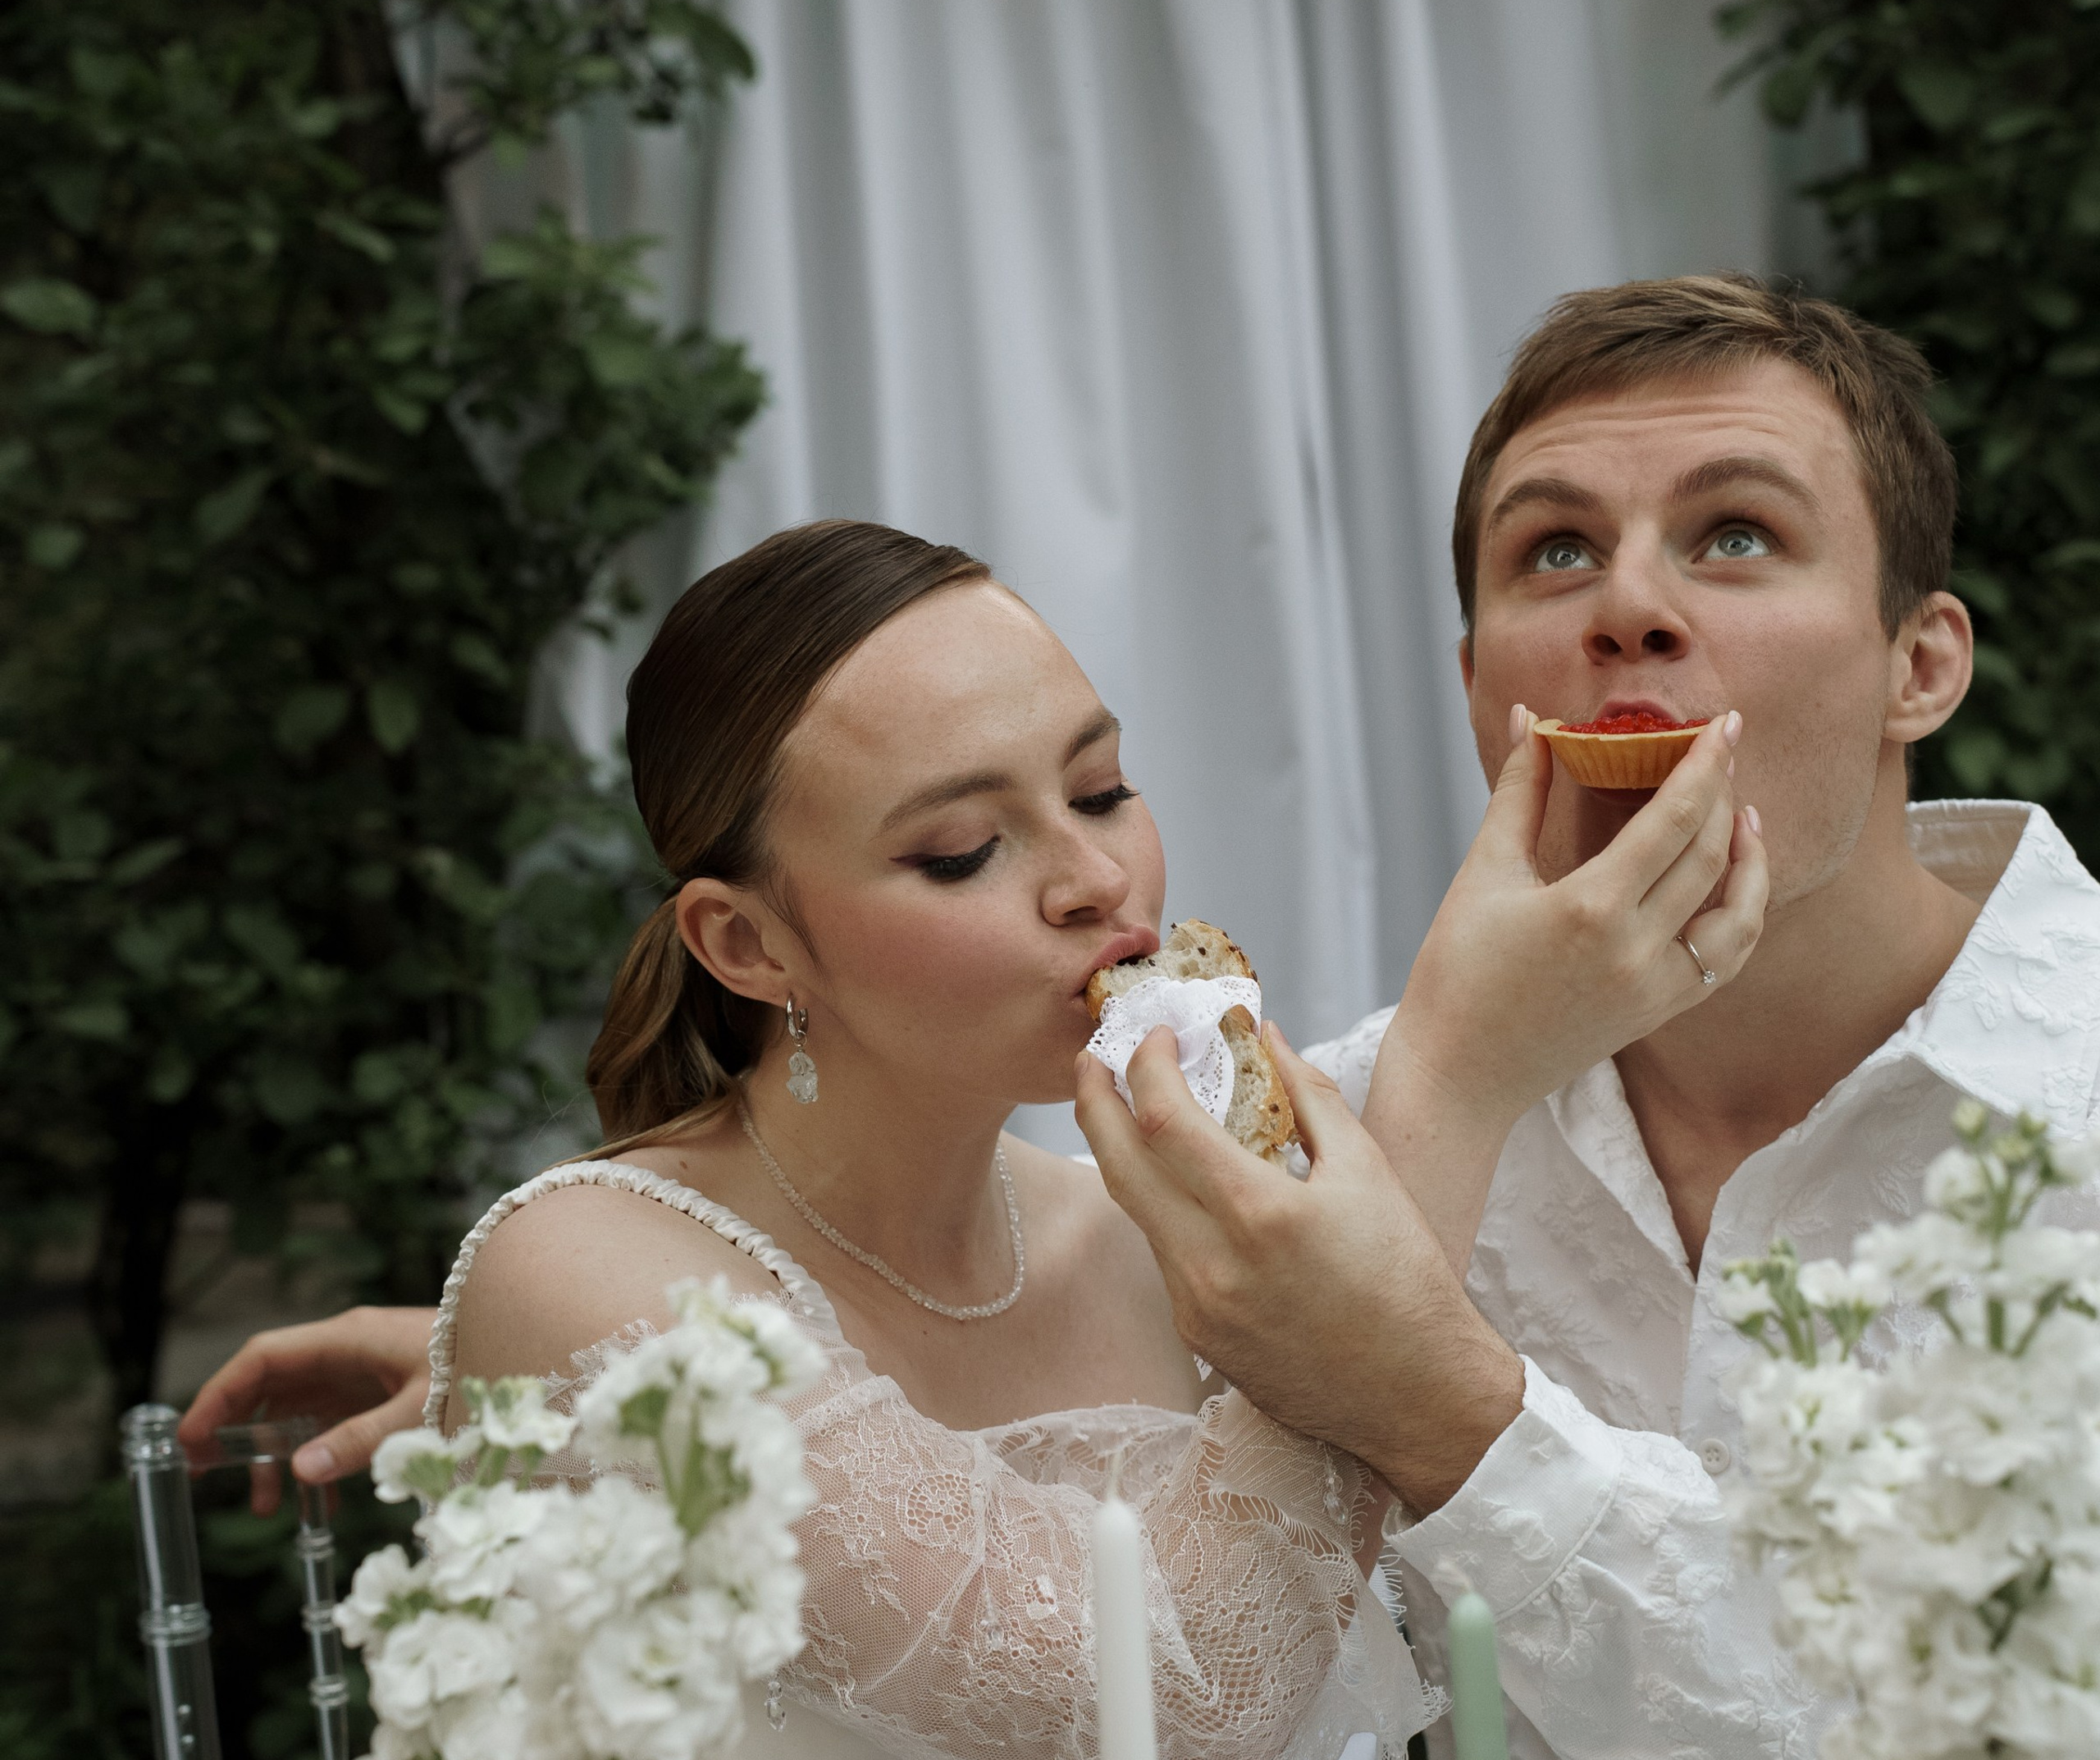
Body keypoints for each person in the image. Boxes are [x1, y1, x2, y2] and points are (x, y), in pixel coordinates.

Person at [184, 513, 1760, 1760]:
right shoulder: (592, 1276)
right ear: (749, 947)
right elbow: (1184, 1701)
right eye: (959, 851)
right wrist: (1463, 1075)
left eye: (1105, 785)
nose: (1095, 879)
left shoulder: (1152, 1233)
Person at [1077, 273, 2100, 1758]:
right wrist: (1450, 1084)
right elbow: (1211, 1713)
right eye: (1556, 552)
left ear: (1920, 665)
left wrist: (1447, 1416)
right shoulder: (1343, 1125)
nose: (1628, 609)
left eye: (1737, 534)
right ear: (1481, 684)